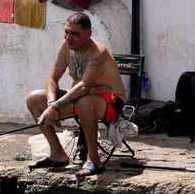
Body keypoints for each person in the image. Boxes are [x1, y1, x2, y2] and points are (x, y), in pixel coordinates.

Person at [25, 12, 127, 177]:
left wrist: (57, 106)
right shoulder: (65, 46)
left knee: (85, 101)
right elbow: (52, 78)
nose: (68, 37)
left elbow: (83, 87)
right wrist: (52, 104)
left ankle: (94, 160)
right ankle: (57, 154)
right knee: (34, 99)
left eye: (74, 34)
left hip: (111, 102)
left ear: (88, 34)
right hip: (80, 99)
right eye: (66, 32)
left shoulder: (97, 53)